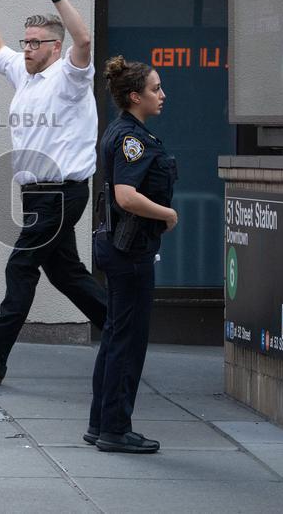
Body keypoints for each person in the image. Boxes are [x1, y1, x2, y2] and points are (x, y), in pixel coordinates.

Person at [0, 0, 108, 384]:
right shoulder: (25, 75)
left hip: (61, 191)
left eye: (36, 43)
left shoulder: (70, 77)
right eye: (26, 42)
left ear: (55, 48)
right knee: (65, 272)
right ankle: (122, 325)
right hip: (37, 193)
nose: (27, 48)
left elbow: (85, 39)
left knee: (20, 266)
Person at [86, 56, 177, 454]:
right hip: (130, 250)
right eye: (156, 89)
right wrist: (167, 214)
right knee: (128, 341)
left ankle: (100, 423)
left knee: (114, 337)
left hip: (119, 246)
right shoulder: (131, 138)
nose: (163, 95)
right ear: (135, 96)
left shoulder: (121, 132)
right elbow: (126, 195)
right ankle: (116, 429)